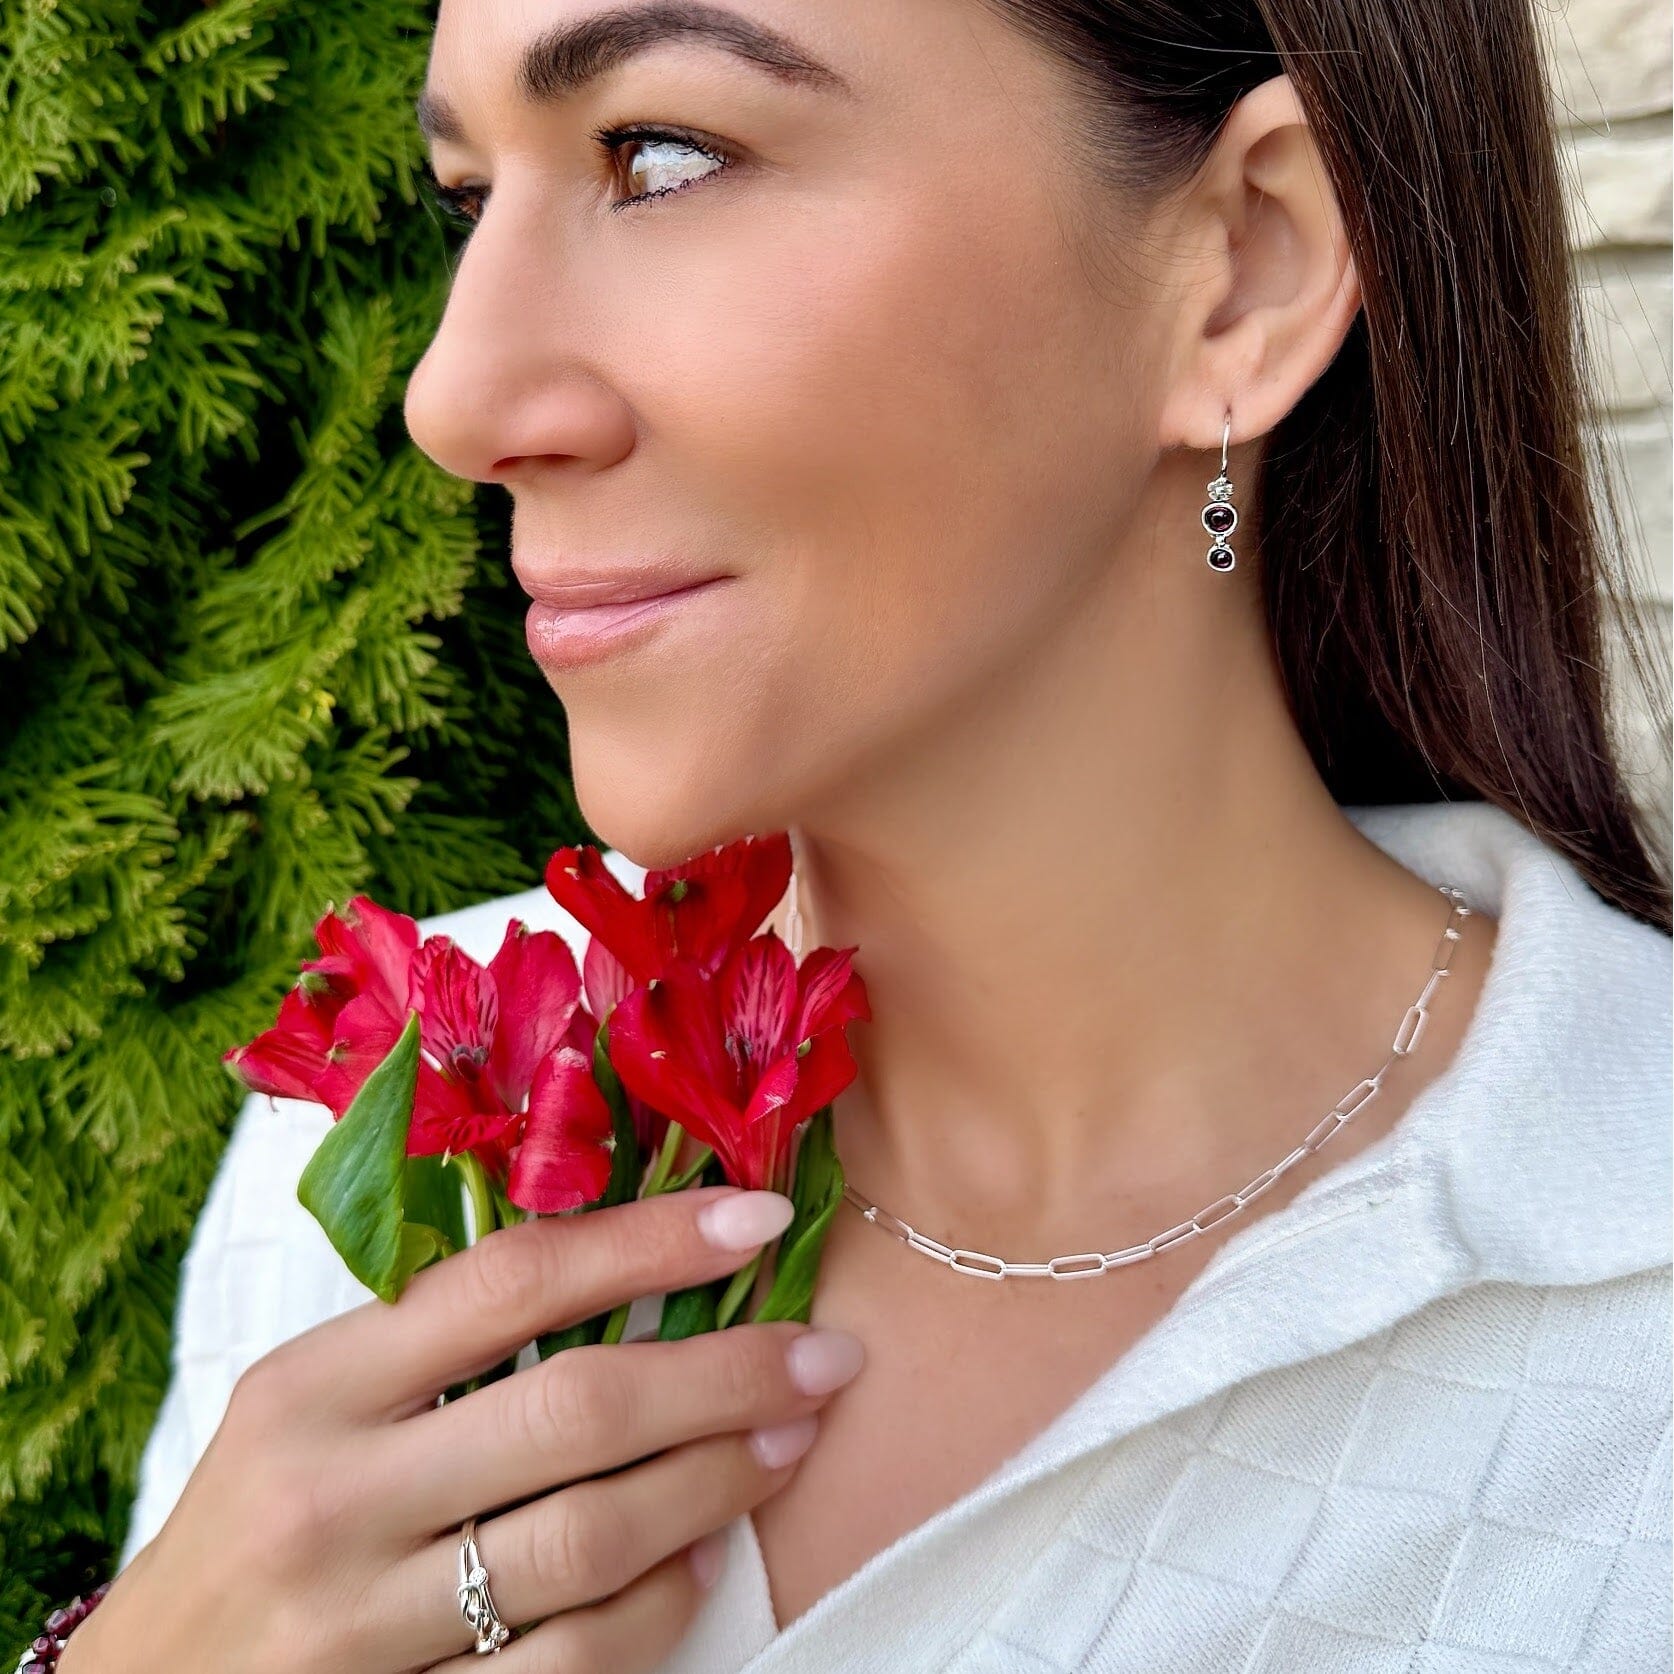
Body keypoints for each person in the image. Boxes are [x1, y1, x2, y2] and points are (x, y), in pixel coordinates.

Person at [55, 1, 1670, 1671]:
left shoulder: (1630, 1330)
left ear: (1245, 265)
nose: (454, 399)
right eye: (468, 201)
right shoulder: (395, 1117)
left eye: (660, 157)